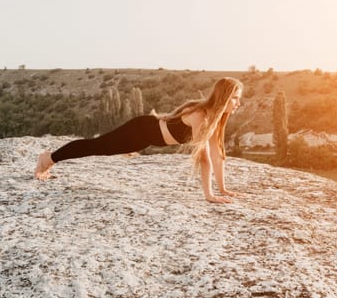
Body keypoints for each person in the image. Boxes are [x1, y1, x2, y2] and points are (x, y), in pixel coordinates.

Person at [34, 77, 243, 203]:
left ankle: (50, 158)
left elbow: (218, 154)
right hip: (142, 129)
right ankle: (48, 158)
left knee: (101, 147)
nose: (238, 103)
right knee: (96, 146)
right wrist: (209, 195)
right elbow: (204, 158)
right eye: (235, 98)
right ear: (223, 97)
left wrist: (222, 189)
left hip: (145, 139)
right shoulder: (201, 115)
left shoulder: (215, 118)